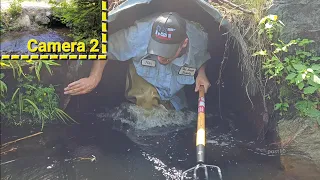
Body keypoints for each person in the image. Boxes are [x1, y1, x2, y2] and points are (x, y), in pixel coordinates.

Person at [64, 12, 211, 111]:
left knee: (176, 114)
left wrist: (202, 73)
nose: (160, 57)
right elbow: (104, 47)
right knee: (147, 105)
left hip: (174, 88)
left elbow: (201, 57)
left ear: (184, 43)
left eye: (167, 52)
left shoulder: (198, 40)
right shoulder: (138, 36)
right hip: (144, 76)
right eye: (157, 50)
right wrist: (94, 78)